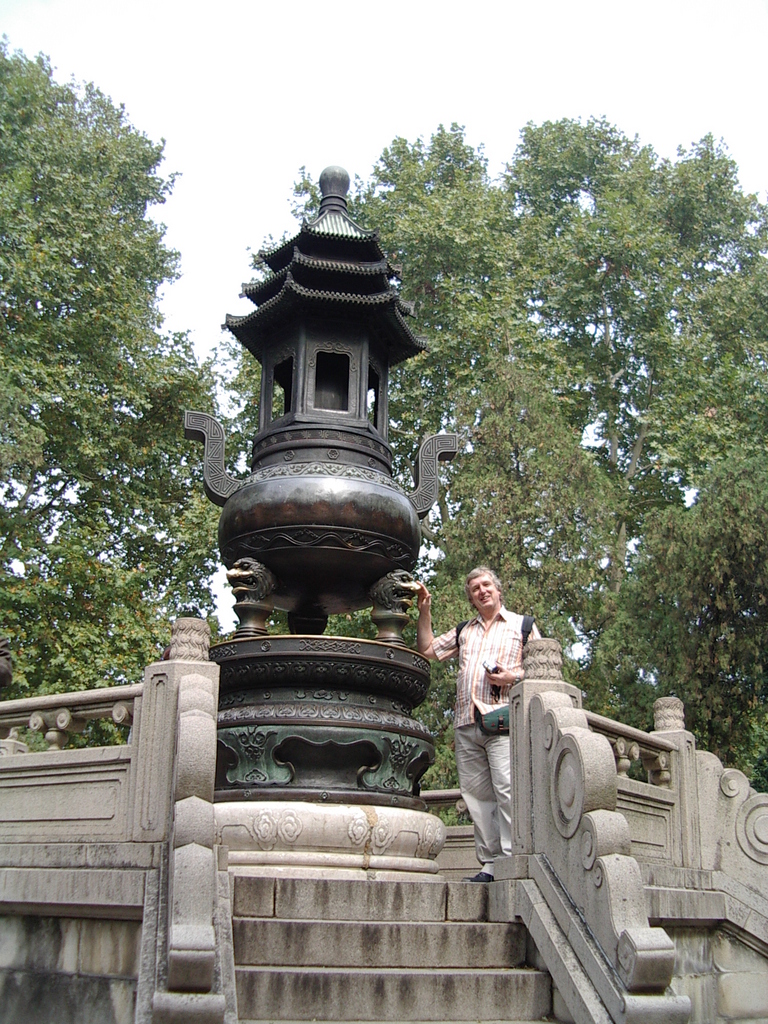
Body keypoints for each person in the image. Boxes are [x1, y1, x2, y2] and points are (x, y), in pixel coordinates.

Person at [416, 567, 539, 882]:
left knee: (507, 789)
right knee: (476, 797)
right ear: (471, 598)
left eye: (486, 585)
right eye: (475, 589)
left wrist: (512, 677)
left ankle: (512, 860)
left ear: (498, 590)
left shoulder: (522, 626)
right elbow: (428, 650)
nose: (482, 591)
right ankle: (490, 864)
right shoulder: (464, 631)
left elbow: (543, 671)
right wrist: (424, 611)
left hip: (502, 720)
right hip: (466, 722)